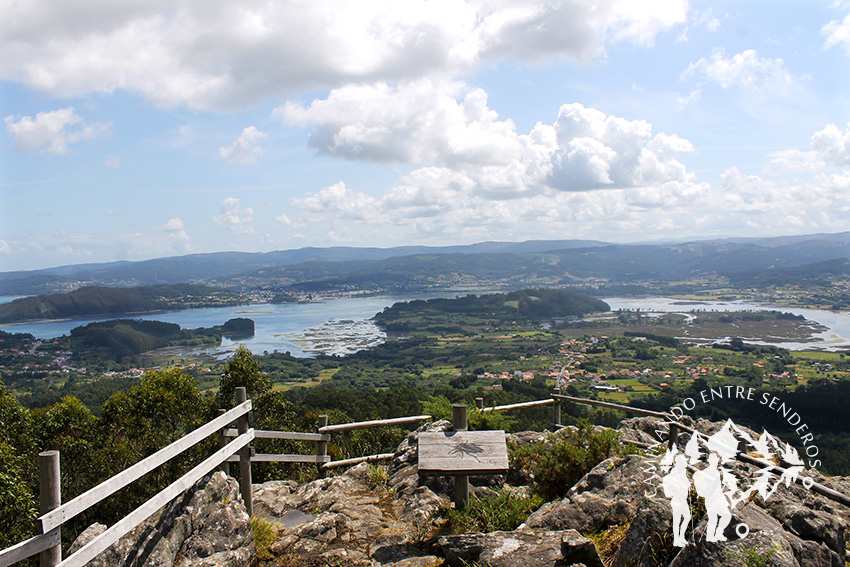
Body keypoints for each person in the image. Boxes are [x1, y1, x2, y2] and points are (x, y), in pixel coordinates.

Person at [693, 452, 734, 542]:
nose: (714, 461)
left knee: (726, 515)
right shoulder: (704, 473)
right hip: (710, 497)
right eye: (712, 459)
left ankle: (719, 532)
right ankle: (710, 536)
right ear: (709, 460)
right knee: (713, 518)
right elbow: (698, 484)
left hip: (719, 497)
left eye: (715, 459)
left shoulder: (719, 473)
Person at [662, 451, 692, 547]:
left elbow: (685, 482)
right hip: (677, 499)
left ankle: (681, 537)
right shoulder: (674, 472)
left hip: (683, 499)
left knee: (687, 517)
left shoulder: (683, 472)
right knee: (677, 519)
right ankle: (676, 539)